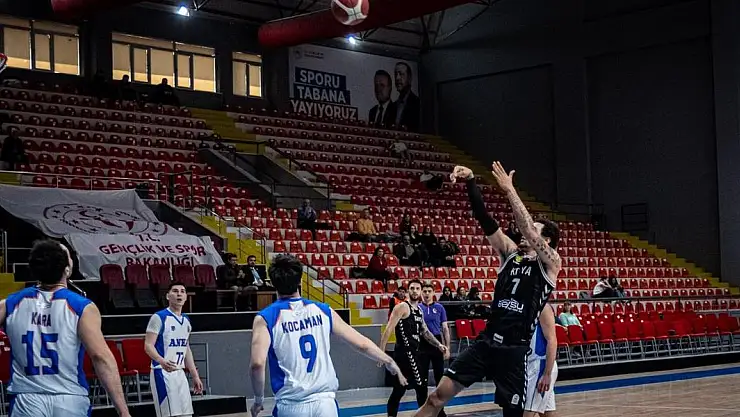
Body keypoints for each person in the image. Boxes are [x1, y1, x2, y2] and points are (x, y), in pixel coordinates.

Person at [414, 163, 561, 417]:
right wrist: (471, 181)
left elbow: (526, 227)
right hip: (487, 341)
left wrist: (509, 190)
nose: (524, 233)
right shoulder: (510, 253)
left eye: (536, 231)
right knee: (436, 397)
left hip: (514, 351)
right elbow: (485, 219)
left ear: (545, 241)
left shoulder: (551, 264)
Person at [249, 254, 406, 417]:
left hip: (291, 404)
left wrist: (259, 400)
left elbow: (257, 364)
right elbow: (362, 344)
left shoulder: (266, 318)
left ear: (272, 282)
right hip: (325, 404)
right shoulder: (323, 310)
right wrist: (388, 360)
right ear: (300, 280)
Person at [0, 240, 130, 417]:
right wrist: (123, 411)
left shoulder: (9, 304)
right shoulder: (82, 307)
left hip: (27, 399)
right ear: (67, 269)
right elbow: (101, 357)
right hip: (70, 399)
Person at [380, 280, 448, 417]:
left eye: (417, 288)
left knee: (422, 390)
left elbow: (425, 332)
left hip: (416, 356)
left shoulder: (419, 311)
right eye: (412, 288)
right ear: (408, 291)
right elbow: (388, 330)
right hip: (403, 356)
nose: (415, 291)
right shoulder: (402, 307)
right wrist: (381, 353)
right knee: (398, 391)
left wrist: (438, 344)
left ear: (420, 291)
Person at [145, 282, 204, 417]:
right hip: (162, 372)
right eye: (175, 291)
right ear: (168, 296)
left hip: (180, 373)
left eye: (182, 291)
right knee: (169, 414)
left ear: (186, 297)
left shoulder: (186, 320)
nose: (179, 294)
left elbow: (186, 348)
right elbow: (148, 345)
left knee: (187, 414)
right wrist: (161, 361)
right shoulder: (159, 317)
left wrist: (195, 376)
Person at [419, 284, 451, 417]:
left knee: (439, 378)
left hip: (437, 343)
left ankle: (440, 410)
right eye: (424, 291)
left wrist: (447, 347)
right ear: (421, 293)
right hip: (422, 344)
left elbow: (445, 328)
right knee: (422, 380)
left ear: (433, 293)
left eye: (429, 291)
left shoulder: (439, 308)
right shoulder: (418, 308)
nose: (427, 294)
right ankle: (422, 409)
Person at [524, 305, 558, 417]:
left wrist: (546, 374)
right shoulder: (521, 305)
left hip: (540, 365)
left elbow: (552, 341)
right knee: (547, 413)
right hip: (529, 364)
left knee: (527, 411)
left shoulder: (543, 308)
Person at [393, 62, 420, 132]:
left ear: (409, 78)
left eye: (401, 74)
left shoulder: (418, 104)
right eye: (396, 74)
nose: (397, 78)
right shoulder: (393, 106)